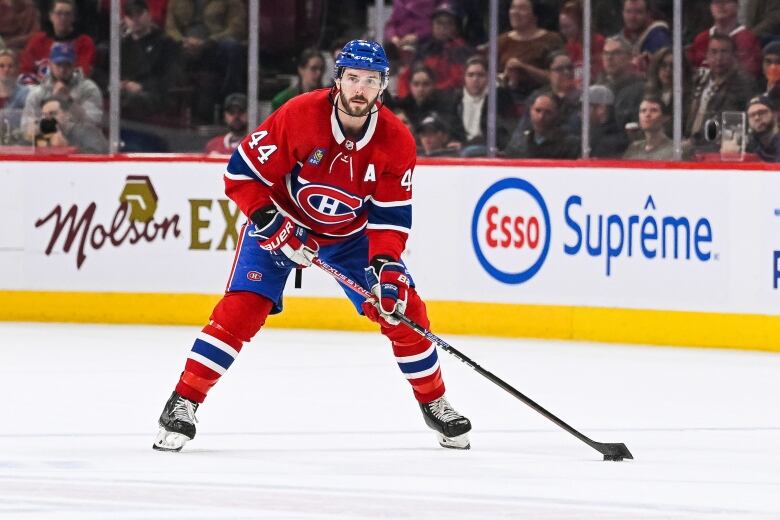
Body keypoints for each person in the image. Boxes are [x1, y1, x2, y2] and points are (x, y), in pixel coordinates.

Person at [152, 40, 473, 453]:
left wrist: (386, 267)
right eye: (353, 78)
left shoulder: (397, 141)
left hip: (350, 239)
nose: (360, 89)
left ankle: (435, 403)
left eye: (370, 81)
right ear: (337, 80)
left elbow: (389, 220)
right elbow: (241, 174)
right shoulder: (300, 114)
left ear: (383, 86)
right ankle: (183, 401)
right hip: (282, 222)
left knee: (405, 310)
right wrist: (270, 221)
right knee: (242, 309)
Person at [21, 42, 102, 141]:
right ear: (50, 64)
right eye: (58, 64)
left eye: (67, 65)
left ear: (74, 64)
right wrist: (45, 126)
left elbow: (93, 123)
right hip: (46, 146)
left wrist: (69, 101)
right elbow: (25, 126)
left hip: (82, 145)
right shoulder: (38, 93)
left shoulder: (88, 88)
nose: (62, 70)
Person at [687, 34, 756, 144]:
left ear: (734, 55)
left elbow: (726, 118)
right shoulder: (701, 80)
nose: (719, 58)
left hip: (717, 146)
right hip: (690, 143)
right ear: (707, 55)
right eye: (714, 52)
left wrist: (693, 141)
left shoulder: (742, 83)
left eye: (724, 52)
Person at [120, 0, 181, 121]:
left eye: (139, 14)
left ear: (149, 15)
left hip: (154, 93)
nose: (135, 19)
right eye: (130, 16)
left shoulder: (166, 43)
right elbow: (105, 72)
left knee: (132, 99)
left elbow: (170, 77)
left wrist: (142, 86)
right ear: (125, 20)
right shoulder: (122, 45)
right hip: (125, 90)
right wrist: (121, 84)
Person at [449, 55, 517, 154]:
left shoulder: (499, 97)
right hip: (462, 148)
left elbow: (504, 130)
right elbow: (453, 128)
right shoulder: (457, 98)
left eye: (480, 75)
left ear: (488, 77)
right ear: (464, 78)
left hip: (491, 148)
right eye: (470, 75)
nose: (475, 79)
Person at [497, 0, 564, 97]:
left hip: (543, 97)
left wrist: (524, 68)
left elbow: (559, 76)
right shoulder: (501, 41)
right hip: (507, 98)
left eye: (522, 9)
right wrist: (506, 75)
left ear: (535, 15)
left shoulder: (551, 40)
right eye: (513, 7)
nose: (515, 12)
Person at [19, 0, 95, 82]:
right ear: (50, 16)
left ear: (73, 17)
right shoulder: (37, 41)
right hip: (39, 90)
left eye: (67, 14)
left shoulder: (85, 42)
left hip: (73, 89)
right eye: (59, 13)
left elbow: (83, 72)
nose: (63, 18)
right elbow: (25, 70)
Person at [687, 0, 762, 79]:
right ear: (710, 7)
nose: (721, 6)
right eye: (716, 2)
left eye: (726, 1)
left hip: (735, 89)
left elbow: (750, 74)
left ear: (737, 6)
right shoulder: (701, 38)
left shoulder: (747, 39)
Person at [504, 91, 580, 158]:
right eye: (538, 110)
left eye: (548, 112)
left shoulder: (569, 145)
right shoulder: (518, 142)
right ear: (530, 110)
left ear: (557, 114)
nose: (541, 117)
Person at [34, 95, 108, 153]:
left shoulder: (87, 131)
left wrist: (66, 148)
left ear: (67, 115)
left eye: (53, 113)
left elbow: (98, 157)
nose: (48, 119)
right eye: (44, 115)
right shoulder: (44, 134)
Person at [613, 0, 671, 74]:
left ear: (648, 14)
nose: (632, 18)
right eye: (628, 12)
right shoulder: (618, 39)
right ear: (622, 13)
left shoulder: (659, 38)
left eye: (638, 12)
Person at [623, 95, 678, 160]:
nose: (647, 114)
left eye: (654, 110)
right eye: (643, 111)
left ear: (665, 118)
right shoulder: (633, 148)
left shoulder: (676, 149)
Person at [587, 84, 628, 157]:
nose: (580, 113)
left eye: (587, 108)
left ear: (601, 109)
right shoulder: (590, 135)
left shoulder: (613, 143)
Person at [0, 49, 29, 141]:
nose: (6, 69)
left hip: (18, 141)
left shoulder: (26, 94)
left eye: (10, 66)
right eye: (1, 66)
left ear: (17, 69)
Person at [745, 94, 780, 162]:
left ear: (775, 115)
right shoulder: (753, 146)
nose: (757, 118)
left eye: (762, 112)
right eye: (752, 115)